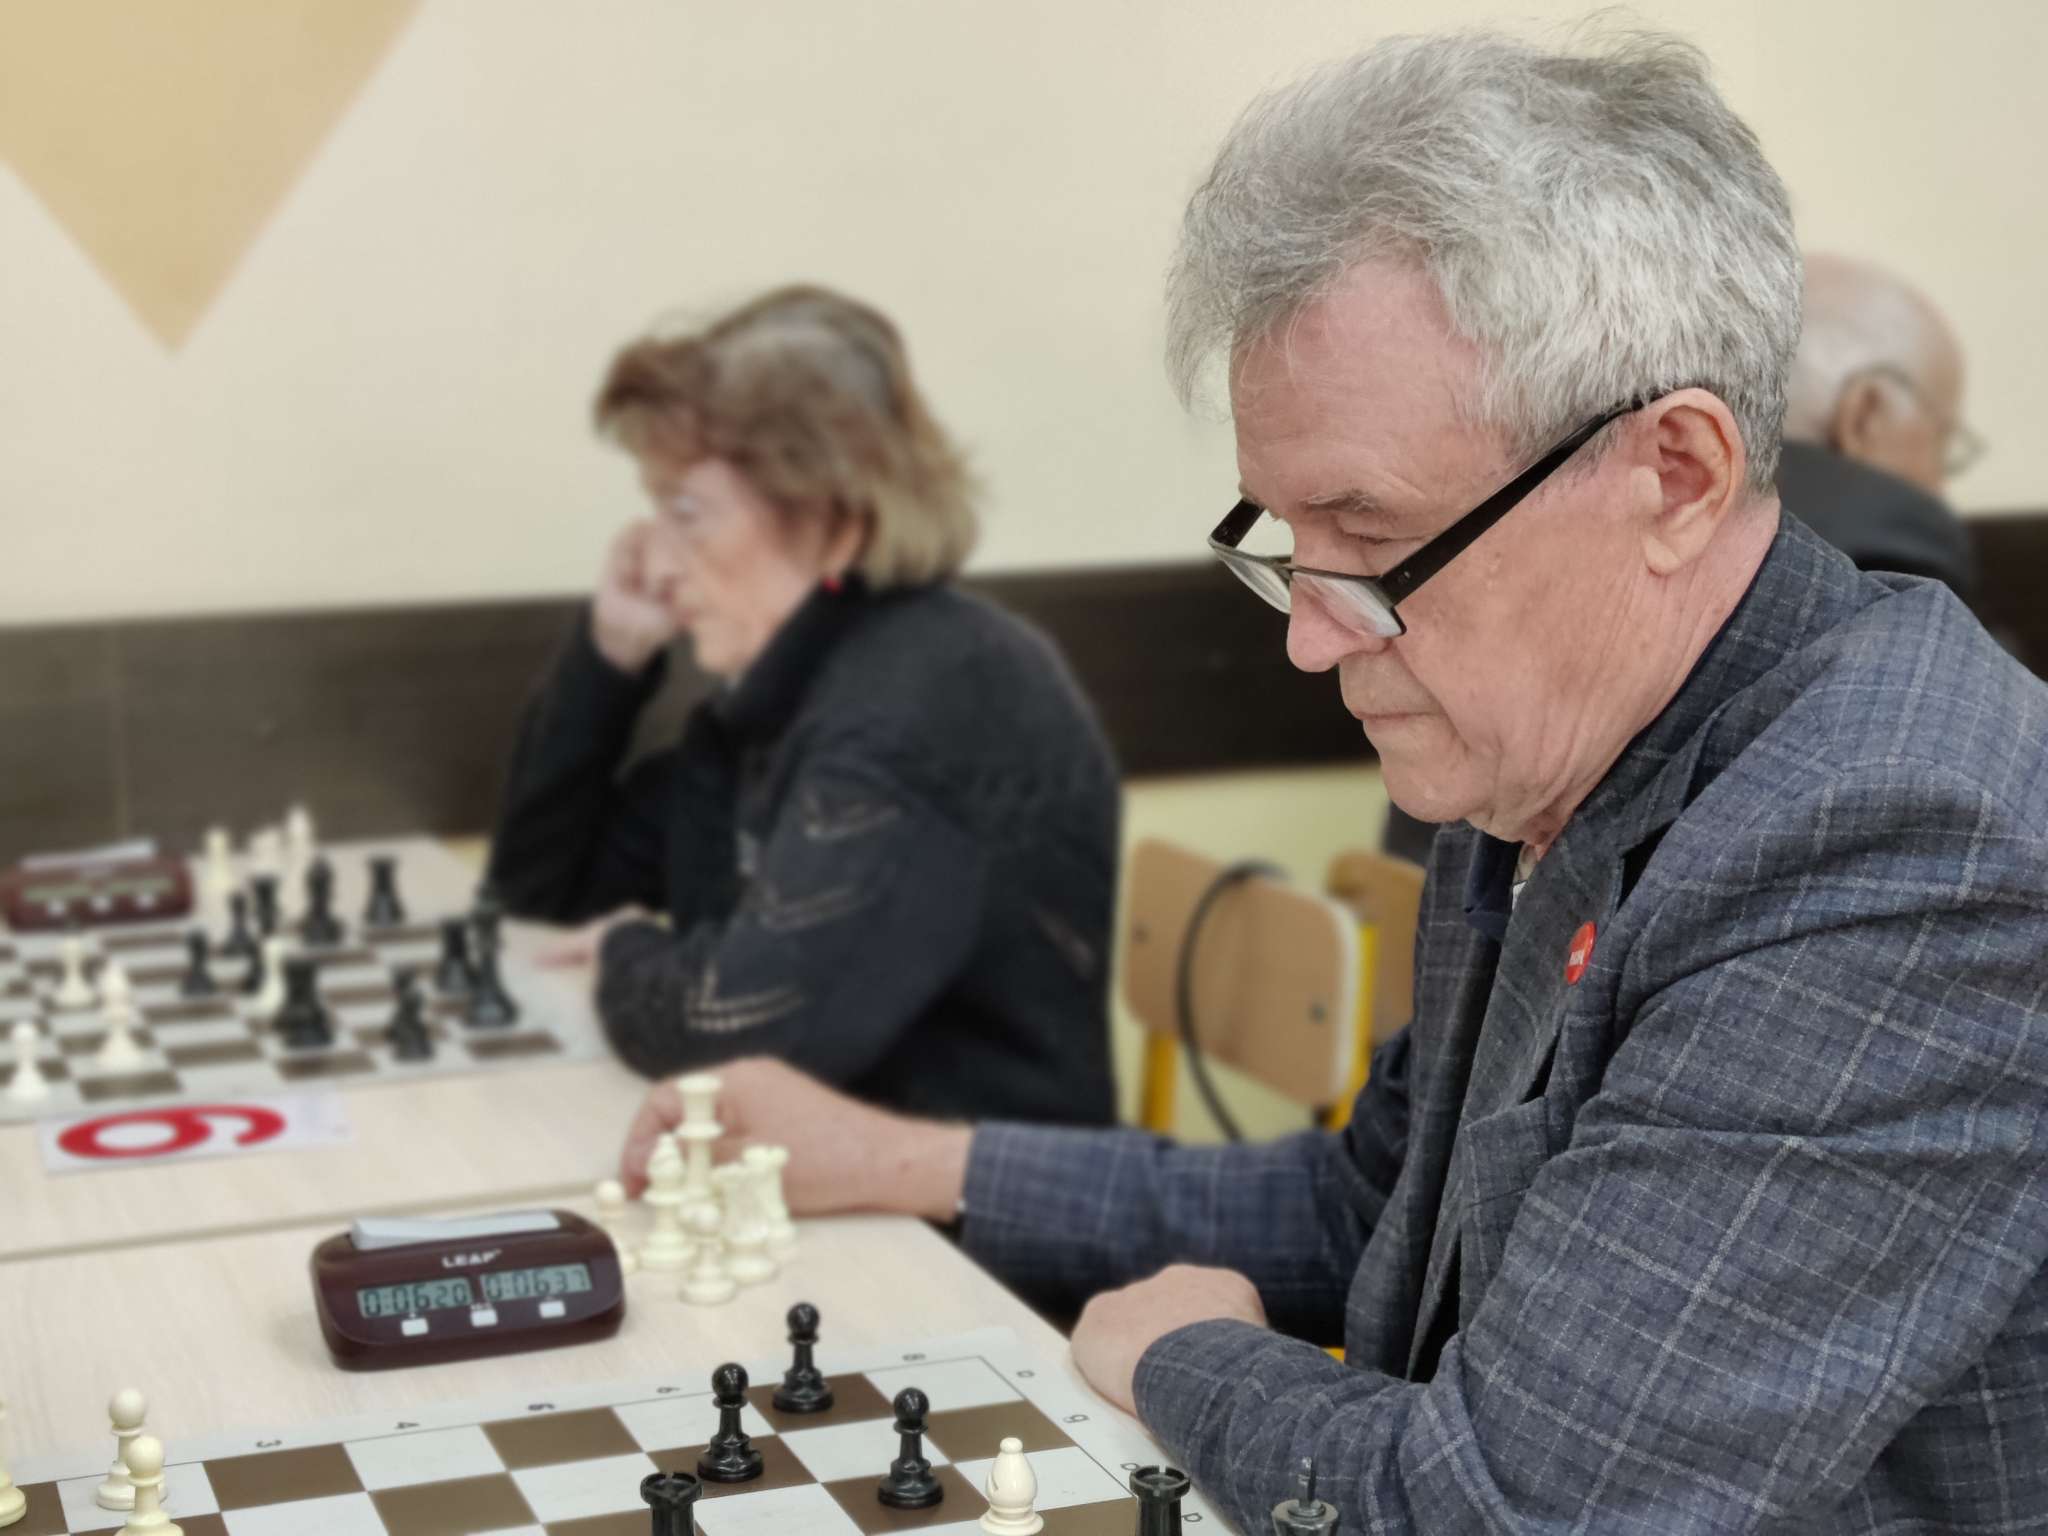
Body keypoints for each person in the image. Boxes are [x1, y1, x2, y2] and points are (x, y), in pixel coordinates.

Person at [620, 30, 2048, 1532]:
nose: (1311, 635)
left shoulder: (1895, 845)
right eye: (1290, 540)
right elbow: (1373, 1208)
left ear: (1675, 475)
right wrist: (903, 1158)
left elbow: (1503, 1512)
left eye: (1371, 538)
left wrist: (1186, 1356)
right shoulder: (1554, 744)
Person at [489, 285, 1120, 1127]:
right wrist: (610, 659)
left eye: (688, 514)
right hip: (829, 1170)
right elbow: (541, 903)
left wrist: (623, 953)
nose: (658, 563)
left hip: (968, 1201)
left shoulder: (924, 699)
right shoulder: (785, 687)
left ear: (833, 517)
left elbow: (742, 1038)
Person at [1778, 252, 1981, 598]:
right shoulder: (1892, 547)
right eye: (1942, 448)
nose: (1940, 489)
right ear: (1865, 419)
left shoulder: (1688, 524)